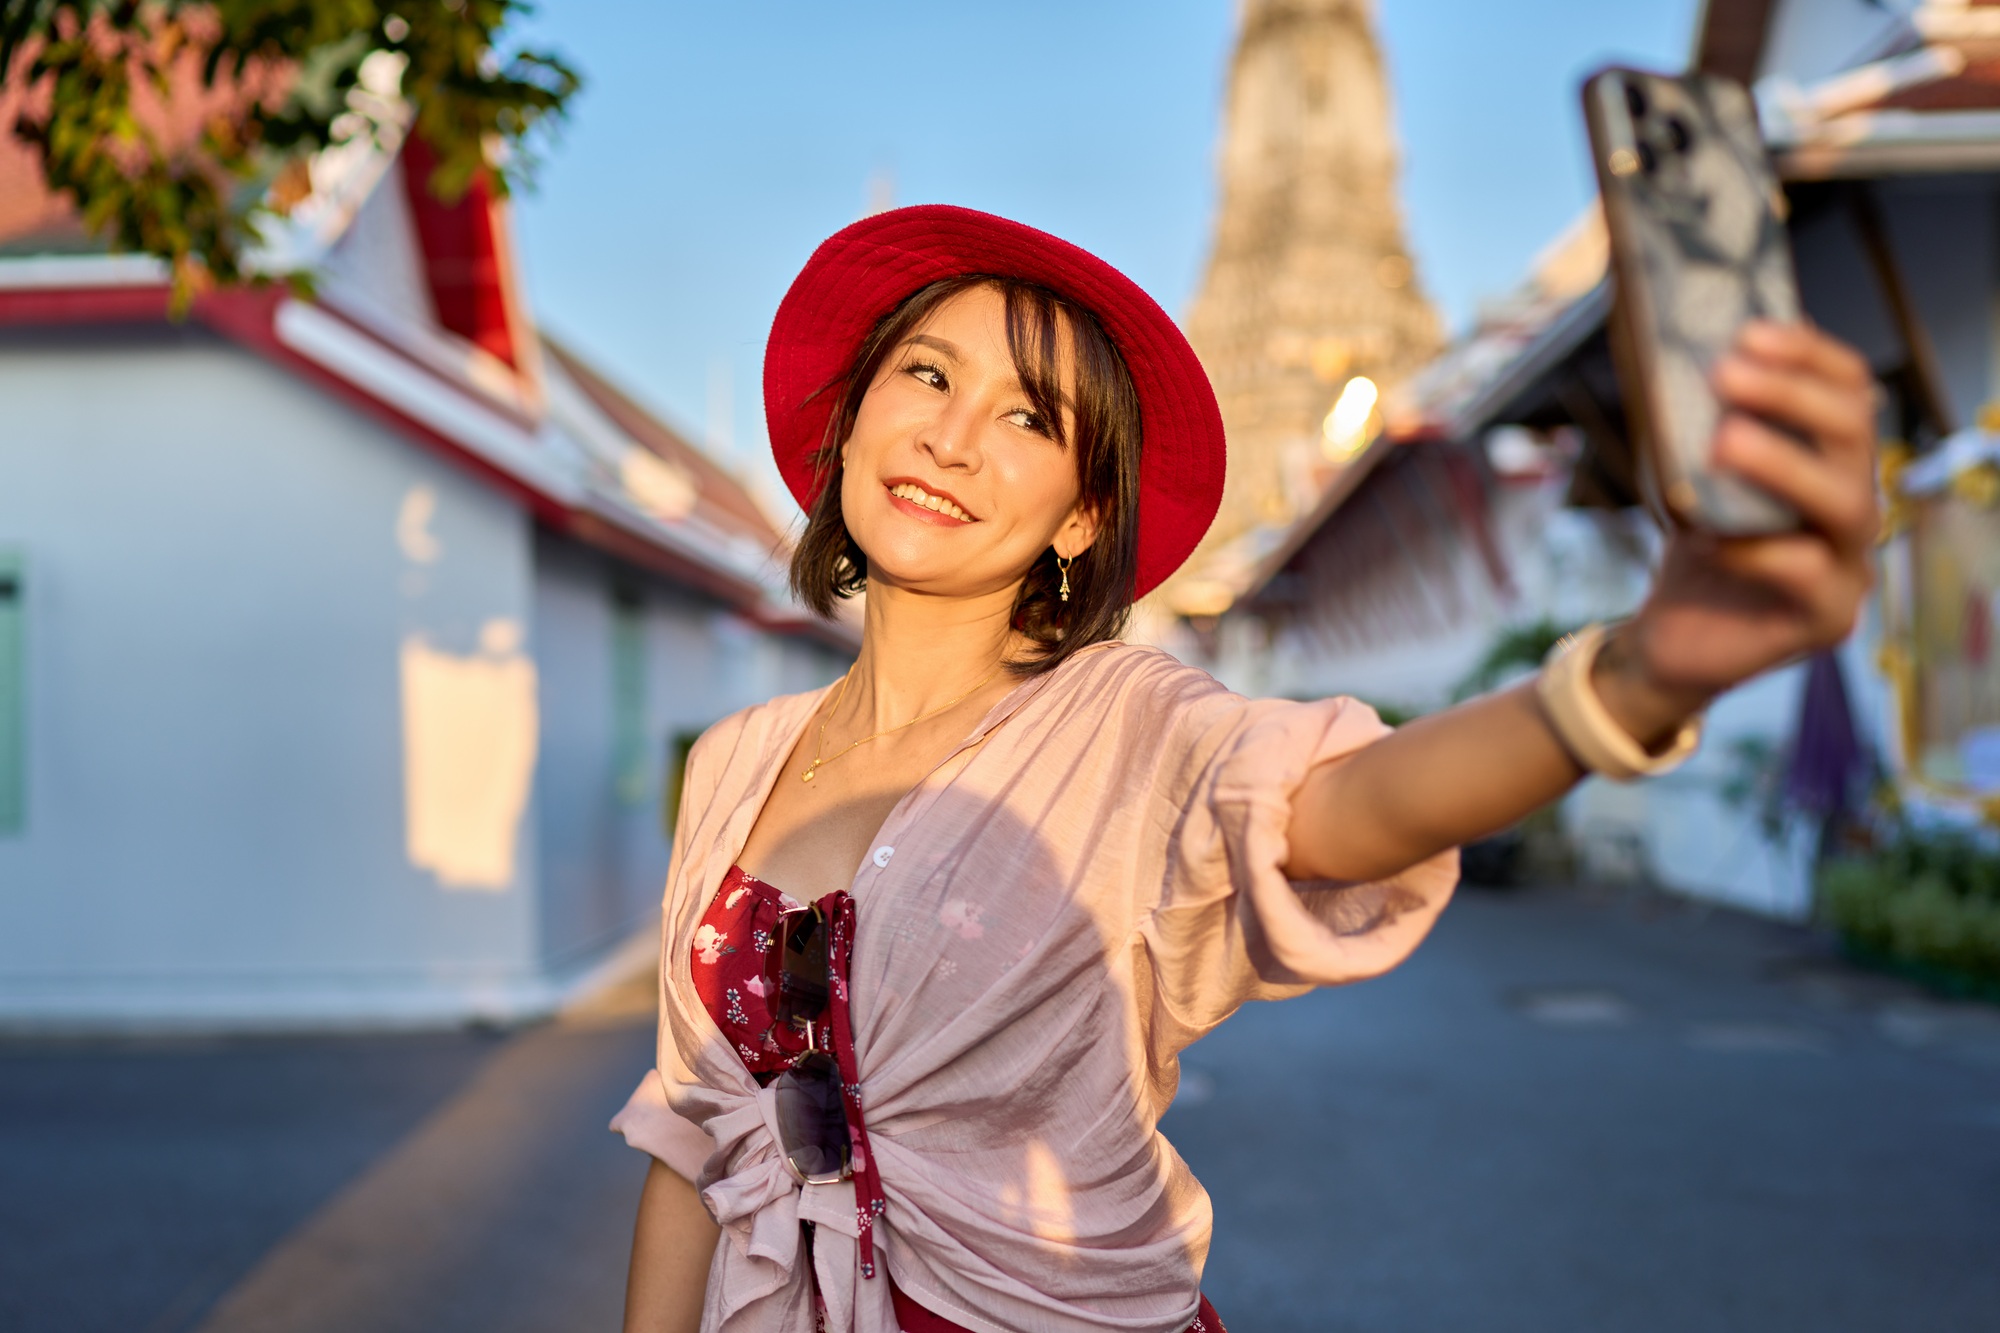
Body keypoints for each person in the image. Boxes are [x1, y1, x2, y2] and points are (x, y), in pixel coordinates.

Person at [614, 205, 1879, 1333]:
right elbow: (692, 1133)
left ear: (1080, 516)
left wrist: (1634, 681)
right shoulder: (736, 760)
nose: (949, 438)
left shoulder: (1126, 727)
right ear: (848, 423)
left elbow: (1334, 810)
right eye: (924, 374)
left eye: (1024, 418)